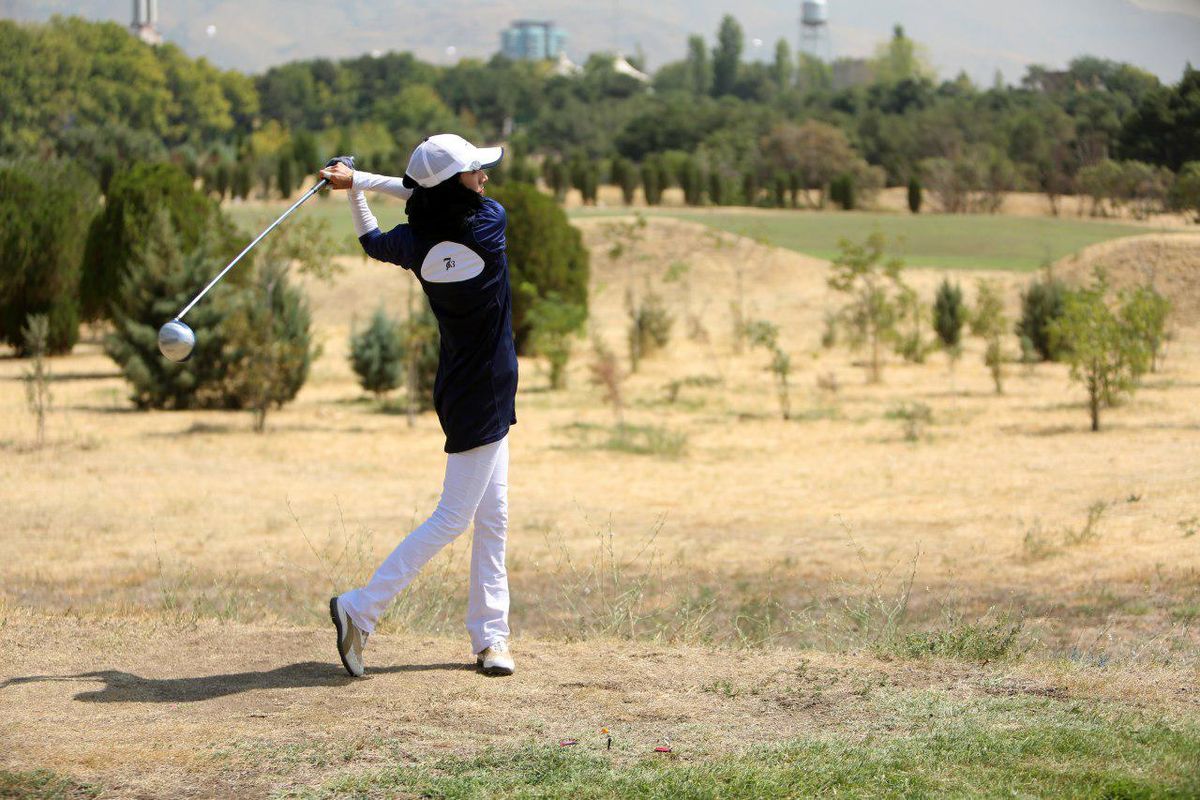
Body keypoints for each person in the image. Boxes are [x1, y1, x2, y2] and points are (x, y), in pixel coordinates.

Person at [320, 135, 517, 677]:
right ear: (456, 184)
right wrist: (358, 181)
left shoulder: (414, 241)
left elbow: (372, 239)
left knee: (493, 517)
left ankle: (491, 637)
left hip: (460, 387)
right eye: (475, 170)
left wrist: (352, 185)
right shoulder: (488, 224)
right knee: (454, 517)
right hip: (486, 391)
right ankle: (360, 608)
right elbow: (414, 189)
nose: (484, 178)